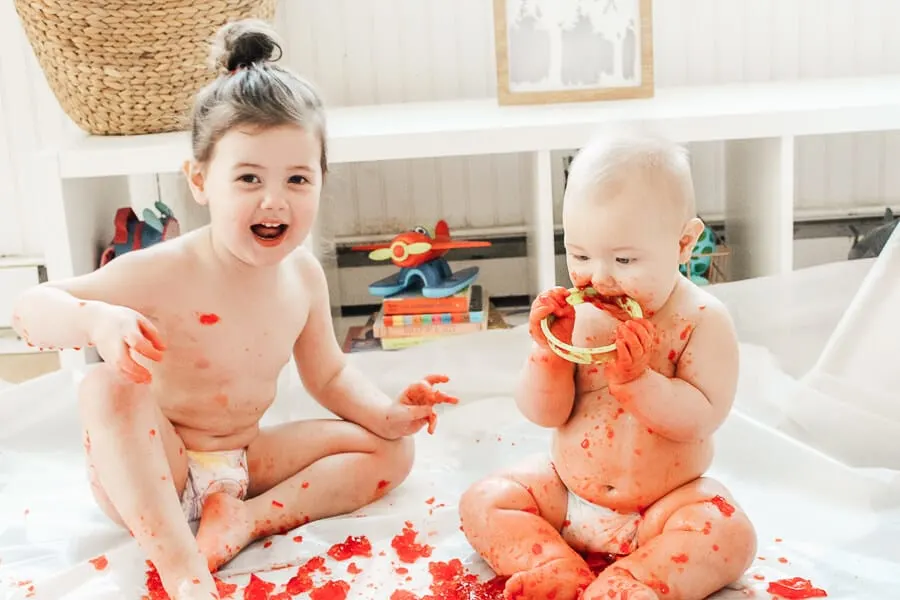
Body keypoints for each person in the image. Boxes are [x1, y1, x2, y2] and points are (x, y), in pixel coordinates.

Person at [11, 19, 455, 600]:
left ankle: (248, 520)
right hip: (157, 472)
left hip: (246, 460)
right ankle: (183, 569)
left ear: (321, 181)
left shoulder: (302, 276)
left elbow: (329, 374)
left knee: (391, 450)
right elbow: (28, 309)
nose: (275, 200)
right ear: (200, 181)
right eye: (248, 177)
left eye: (298, 178)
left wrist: (386, 413)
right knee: (105, 387)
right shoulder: (164, 269)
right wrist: (95, 320)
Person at [459, 131, 756, 600]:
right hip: (568, 492)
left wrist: (639, 383)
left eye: (624, 259)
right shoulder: (578, 315)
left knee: (727, 533)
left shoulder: (702, 320)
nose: (599, 277)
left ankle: (633, 579)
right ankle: (556, 564)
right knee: (485, 500)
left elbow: (702, 417)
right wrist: (548, 355)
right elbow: (545, 414)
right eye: (579, 255)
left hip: (663, 506)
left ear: (683, 244)